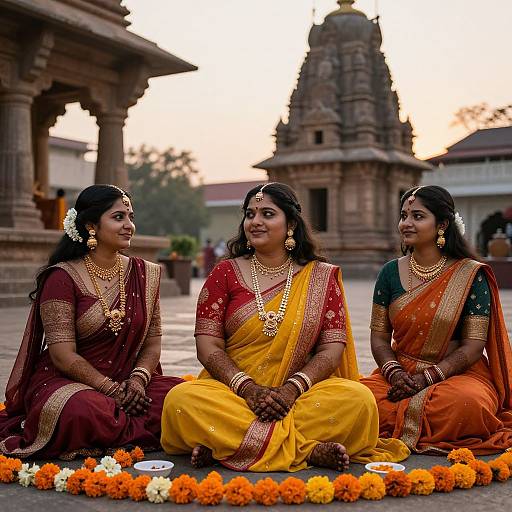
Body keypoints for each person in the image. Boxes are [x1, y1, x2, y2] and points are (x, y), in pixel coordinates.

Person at [161, 182, 409, 472]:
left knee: (359, 400)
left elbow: (331, 349)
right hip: (233, 392)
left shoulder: (320, 276)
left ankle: (225, 445)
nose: (255, 221)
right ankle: (307, 448)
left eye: (267, 214)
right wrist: (248, 389)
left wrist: (291, 389)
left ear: (290, 224)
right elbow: (207, 345)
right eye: (250, 214)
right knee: (181, 400)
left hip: (299, 395)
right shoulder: (224, 273)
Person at [0, 185, 183, 459]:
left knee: (184, 397)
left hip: (129, 383)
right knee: (80, 409)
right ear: (91, 225)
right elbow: (63, 357)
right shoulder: (61, 278)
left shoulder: (146, 274)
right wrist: (110, 389)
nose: (129, 226)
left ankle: (121, 428)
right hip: (70, 381)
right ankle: (147, 430)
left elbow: (152, 344)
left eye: (130, 217)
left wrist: (137, 380)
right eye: (118, 217)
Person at [361, 185, 512, 454]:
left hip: (458, 375)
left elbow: (473, 347)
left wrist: (427, 378)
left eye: (417, 216)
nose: (406, 223)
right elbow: (380, 339)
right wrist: (395, 374)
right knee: (355, 400)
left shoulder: (469, 274)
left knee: (469, 405)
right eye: (404, 215)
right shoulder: (389, 272)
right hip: (400, 372)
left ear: (442, 224)